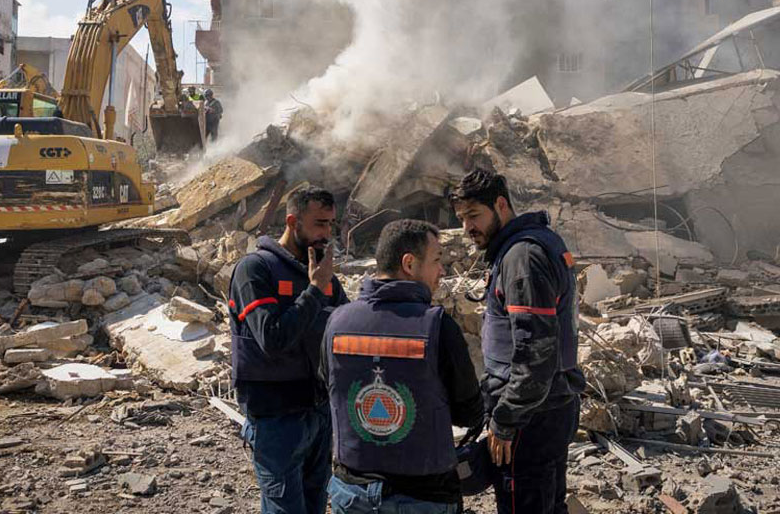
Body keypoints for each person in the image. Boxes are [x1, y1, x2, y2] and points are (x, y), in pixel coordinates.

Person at [322, 219, 484, 514]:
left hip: (353, 492)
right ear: (409, 264)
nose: (442, 271)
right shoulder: (439, 327)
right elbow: (470, 413)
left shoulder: (337, 322)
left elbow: (328, 390)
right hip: (424, 497)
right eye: (436, 260)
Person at [450, 169, 585, 514]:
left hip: (530, 416)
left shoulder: (522, 258)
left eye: (474, 216)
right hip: (547, 406)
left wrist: (506, 420)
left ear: (500, 204)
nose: (467, 228)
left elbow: (536, 351)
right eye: (462, 219)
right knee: (547, 501)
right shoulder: (528, 245)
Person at [228, 186, 349, 514]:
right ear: (293, 221)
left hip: (319, 416)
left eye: (331, 225)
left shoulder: (324, 277)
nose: (326, 233)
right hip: (276, 421)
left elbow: (345, 333)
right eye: (319, 224)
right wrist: (313, 290)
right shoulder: (255, 270)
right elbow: (272, 339)